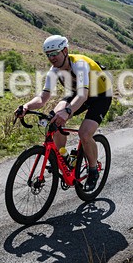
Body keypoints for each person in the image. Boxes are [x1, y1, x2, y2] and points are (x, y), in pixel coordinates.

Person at [15, 35, 112, 191]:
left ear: (65, 51)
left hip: (100, 96)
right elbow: (42, 98)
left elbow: (82, 96)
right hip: (79, 94)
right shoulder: (53, 71)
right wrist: (26, 106)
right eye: (48, 55)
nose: (51, 58)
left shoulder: (79, 65)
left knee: (85, 134)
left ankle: (93, 170)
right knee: (54, 119)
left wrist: (68, 111)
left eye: (54, 53)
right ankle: (62, 158)